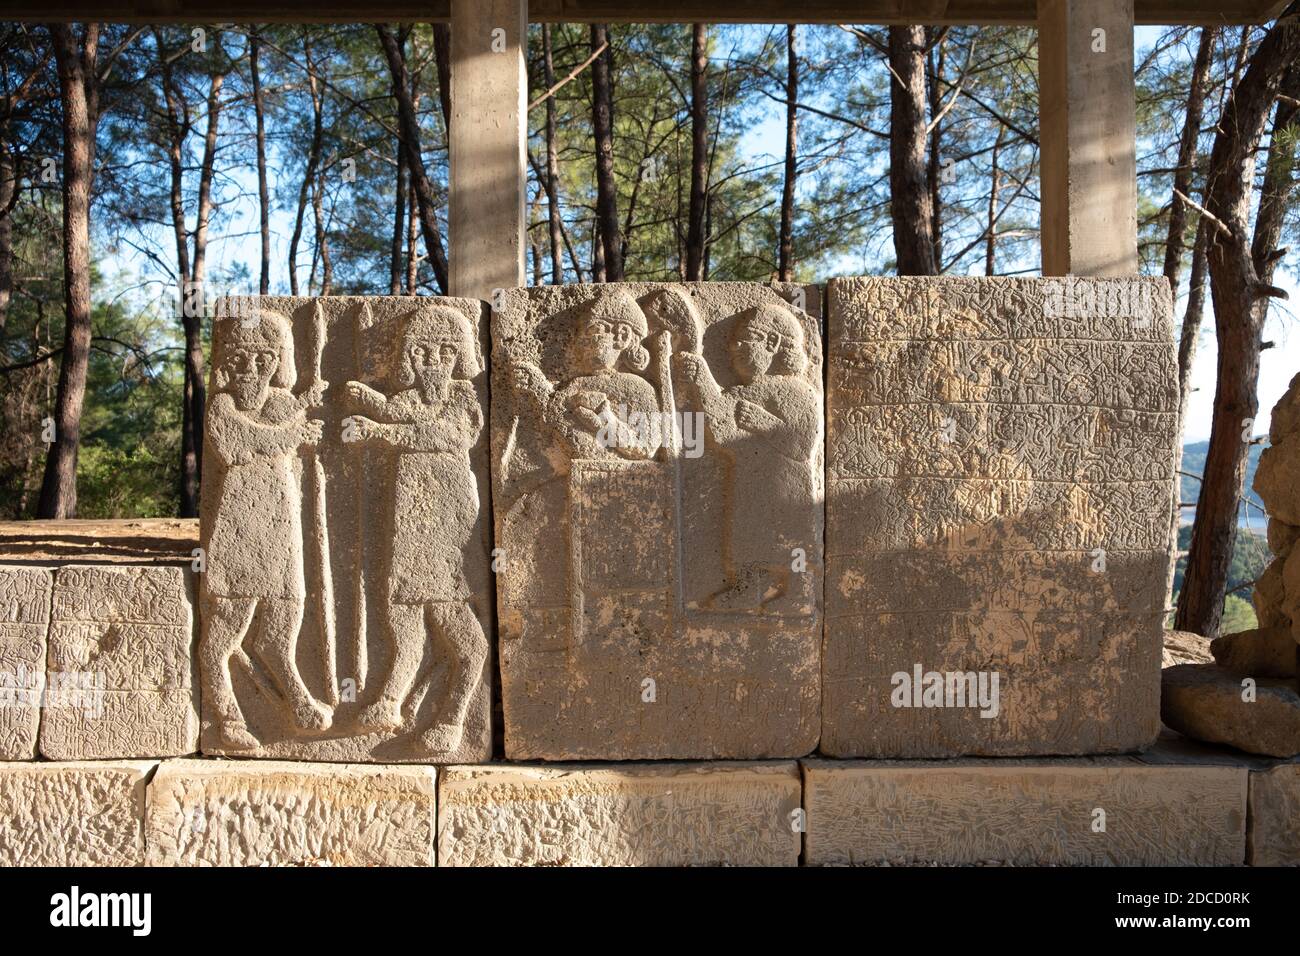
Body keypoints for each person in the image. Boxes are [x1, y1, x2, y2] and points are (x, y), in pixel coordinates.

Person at [344, 305, 488, 754]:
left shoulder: (463, 397)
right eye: (422, 352)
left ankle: (453, 717)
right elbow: (393, 411)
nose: (433, 362)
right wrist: (368, 403)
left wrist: (380, 431)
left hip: (448, 524)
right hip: (408, 526)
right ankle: (390, 701)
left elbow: (452, 436)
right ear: (409, 356)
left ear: (460, 357)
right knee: (402, 614)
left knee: (459, 630)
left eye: (444, 353)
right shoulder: (406, 400)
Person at [201, 309, 329, 749]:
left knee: (284, 618)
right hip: (239, 523)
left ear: (278, 363)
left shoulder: (281, 404)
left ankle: (297, 699)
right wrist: (296, 432)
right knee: (225, 631)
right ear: (226, 364)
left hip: (280, 520)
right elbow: (238, 444)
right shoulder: (222, 406)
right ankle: (226, 717)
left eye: (263, 360)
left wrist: (304, 412)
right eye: (240, 360)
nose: (251, 370)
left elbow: (289, 424)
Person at [675, 302, 820, 614]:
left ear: (772, 343)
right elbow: (722, 430)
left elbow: (802, 445)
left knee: (789, 536)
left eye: (745, 340)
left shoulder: (797, 392)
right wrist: (701, 378)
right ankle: (748, 588)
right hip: (748, 481)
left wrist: (764, 423)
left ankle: (800, 592)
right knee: (746, 534)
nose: (734, 348)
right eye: (732, 343)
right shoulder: (742, 392)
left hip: (784, 485)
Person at [509, 288, 661, 464]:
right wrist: (537, 389)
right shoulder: (577, 383)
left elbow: (648, 445)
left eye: (592, 330)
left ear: (622, 336)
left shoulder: (637, 388)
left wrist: (604, 418)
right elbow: (555, 418)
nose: (580, 340)